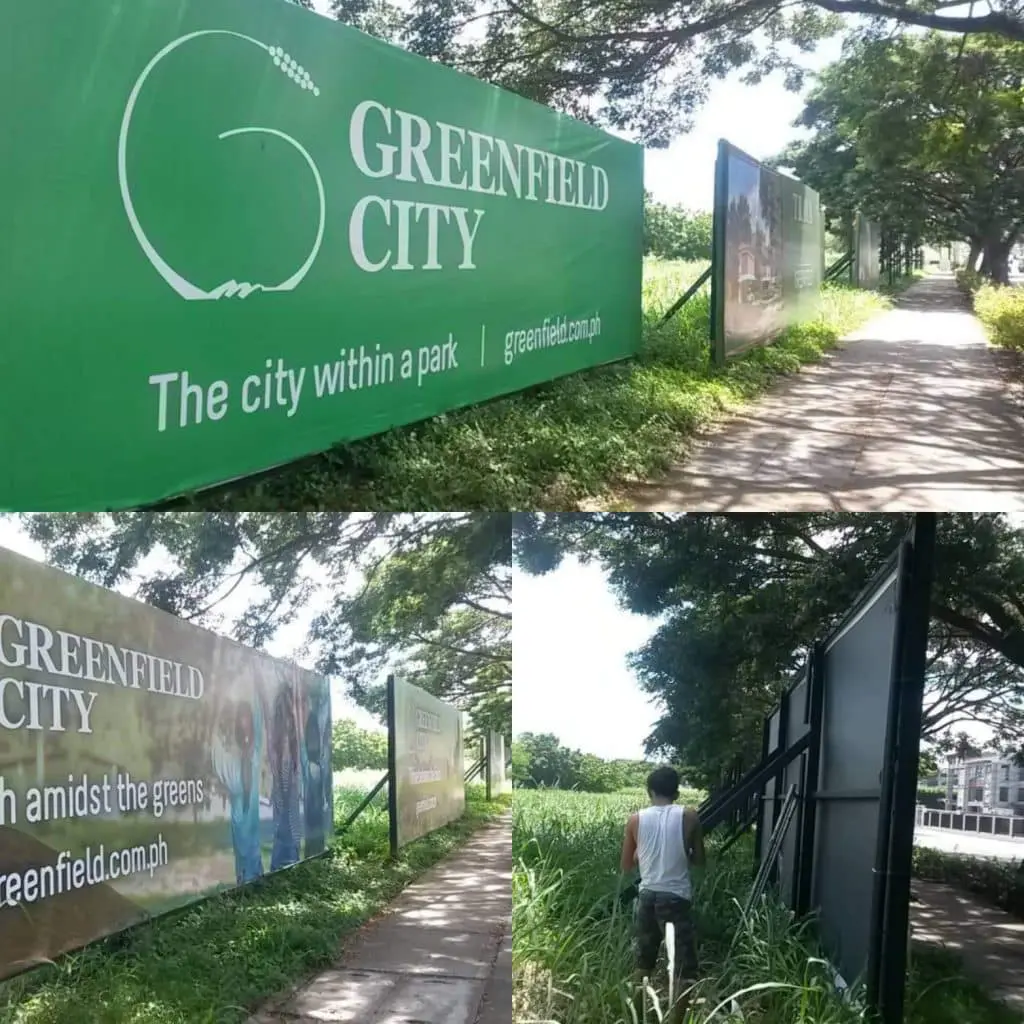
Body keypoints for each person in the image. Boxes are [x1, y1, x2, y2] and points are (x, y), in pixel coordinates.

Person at [620, 766, 705, 1022]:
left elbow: (627, 865)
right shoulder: (689, 816)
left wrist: (640, 853)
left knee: (643, 960)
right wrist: (685, 852)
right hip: (676, 899)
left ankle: (637, 1015)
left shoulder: (636, 819)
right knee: (683, 966)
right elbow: (700, 860)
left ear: (650, 791)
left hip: (646, 897)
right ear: (677, 792)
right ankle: (676, 1020)